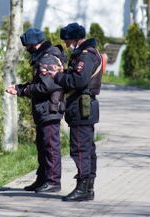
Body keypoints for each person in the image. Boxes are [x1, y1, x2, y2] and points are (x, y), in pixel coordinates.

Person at [46, 23, 103, 201]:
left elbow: (78, 81)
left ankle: (83, 188)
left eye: (68, 41)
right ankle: (87, 187)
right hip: (81, 107)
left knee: (80, 149)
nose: (66, 45)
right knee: (86, 148)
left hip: (81, 107)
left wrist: (57, 76)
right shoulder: (85, 54)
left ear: (76, 39)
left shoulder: (86, 56)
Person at [6, 28, 65, 193]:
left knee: (50, 146)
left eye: (27, 46)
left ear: (34, 44)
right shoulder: (43, 57)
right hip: (43, 109)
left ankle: (53, 181)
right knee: (42, 146)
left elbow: (46, 86)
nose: (26, 49)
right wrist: (19, 88)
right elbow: (40, 83)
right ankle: (42, 179)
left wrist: (23, 91)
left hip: (49, 108)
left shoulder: (47, 58)